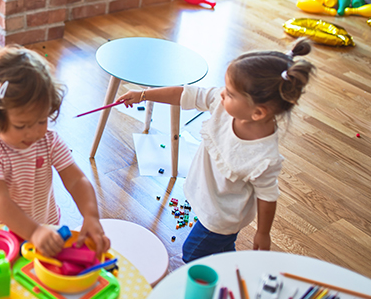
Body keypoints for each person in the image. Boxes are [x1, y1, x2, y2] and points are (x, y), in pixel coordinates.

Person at [118, 39, 315, 263]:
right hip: (208, 199)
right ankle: (231, 270)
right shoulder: (222, 104)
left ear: (258, 112)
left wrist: (263, 232)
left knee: (193, 254)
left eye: (230, 93)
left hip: (223, 218)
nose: (222, 94)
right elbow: (185, 94)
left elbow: (268, 196)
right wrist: (143, 94)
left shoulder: (263, 157)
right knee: (222, 251)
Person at [0, 46, 110, 258]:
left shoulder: (48, 140)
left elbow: (76, 180)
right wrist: (33, 231)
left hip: (42, 226)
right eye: (21, 125)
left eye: (41, 121)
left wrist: (91, 216)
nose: (33, 132)